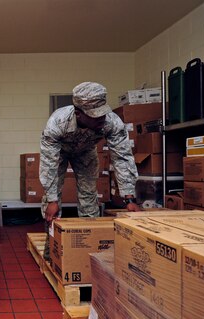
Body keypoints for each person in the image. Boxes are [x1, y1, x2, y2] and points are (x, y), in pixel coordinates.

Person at [40, 82, 140, 261]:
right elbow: (49, 164)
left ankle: (89, 248)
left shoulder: (112, 122)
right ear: (78, 113)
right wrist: (52, 199)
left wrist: (129, 197)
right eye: (95, 115)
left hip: (86, 152)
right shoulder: (57, 123)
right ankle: (52, 253)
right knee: (52, 205)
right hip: (59, 153)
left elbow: (122, 157)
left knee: (88, 197)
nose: (101, 118)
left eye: (103, 112)